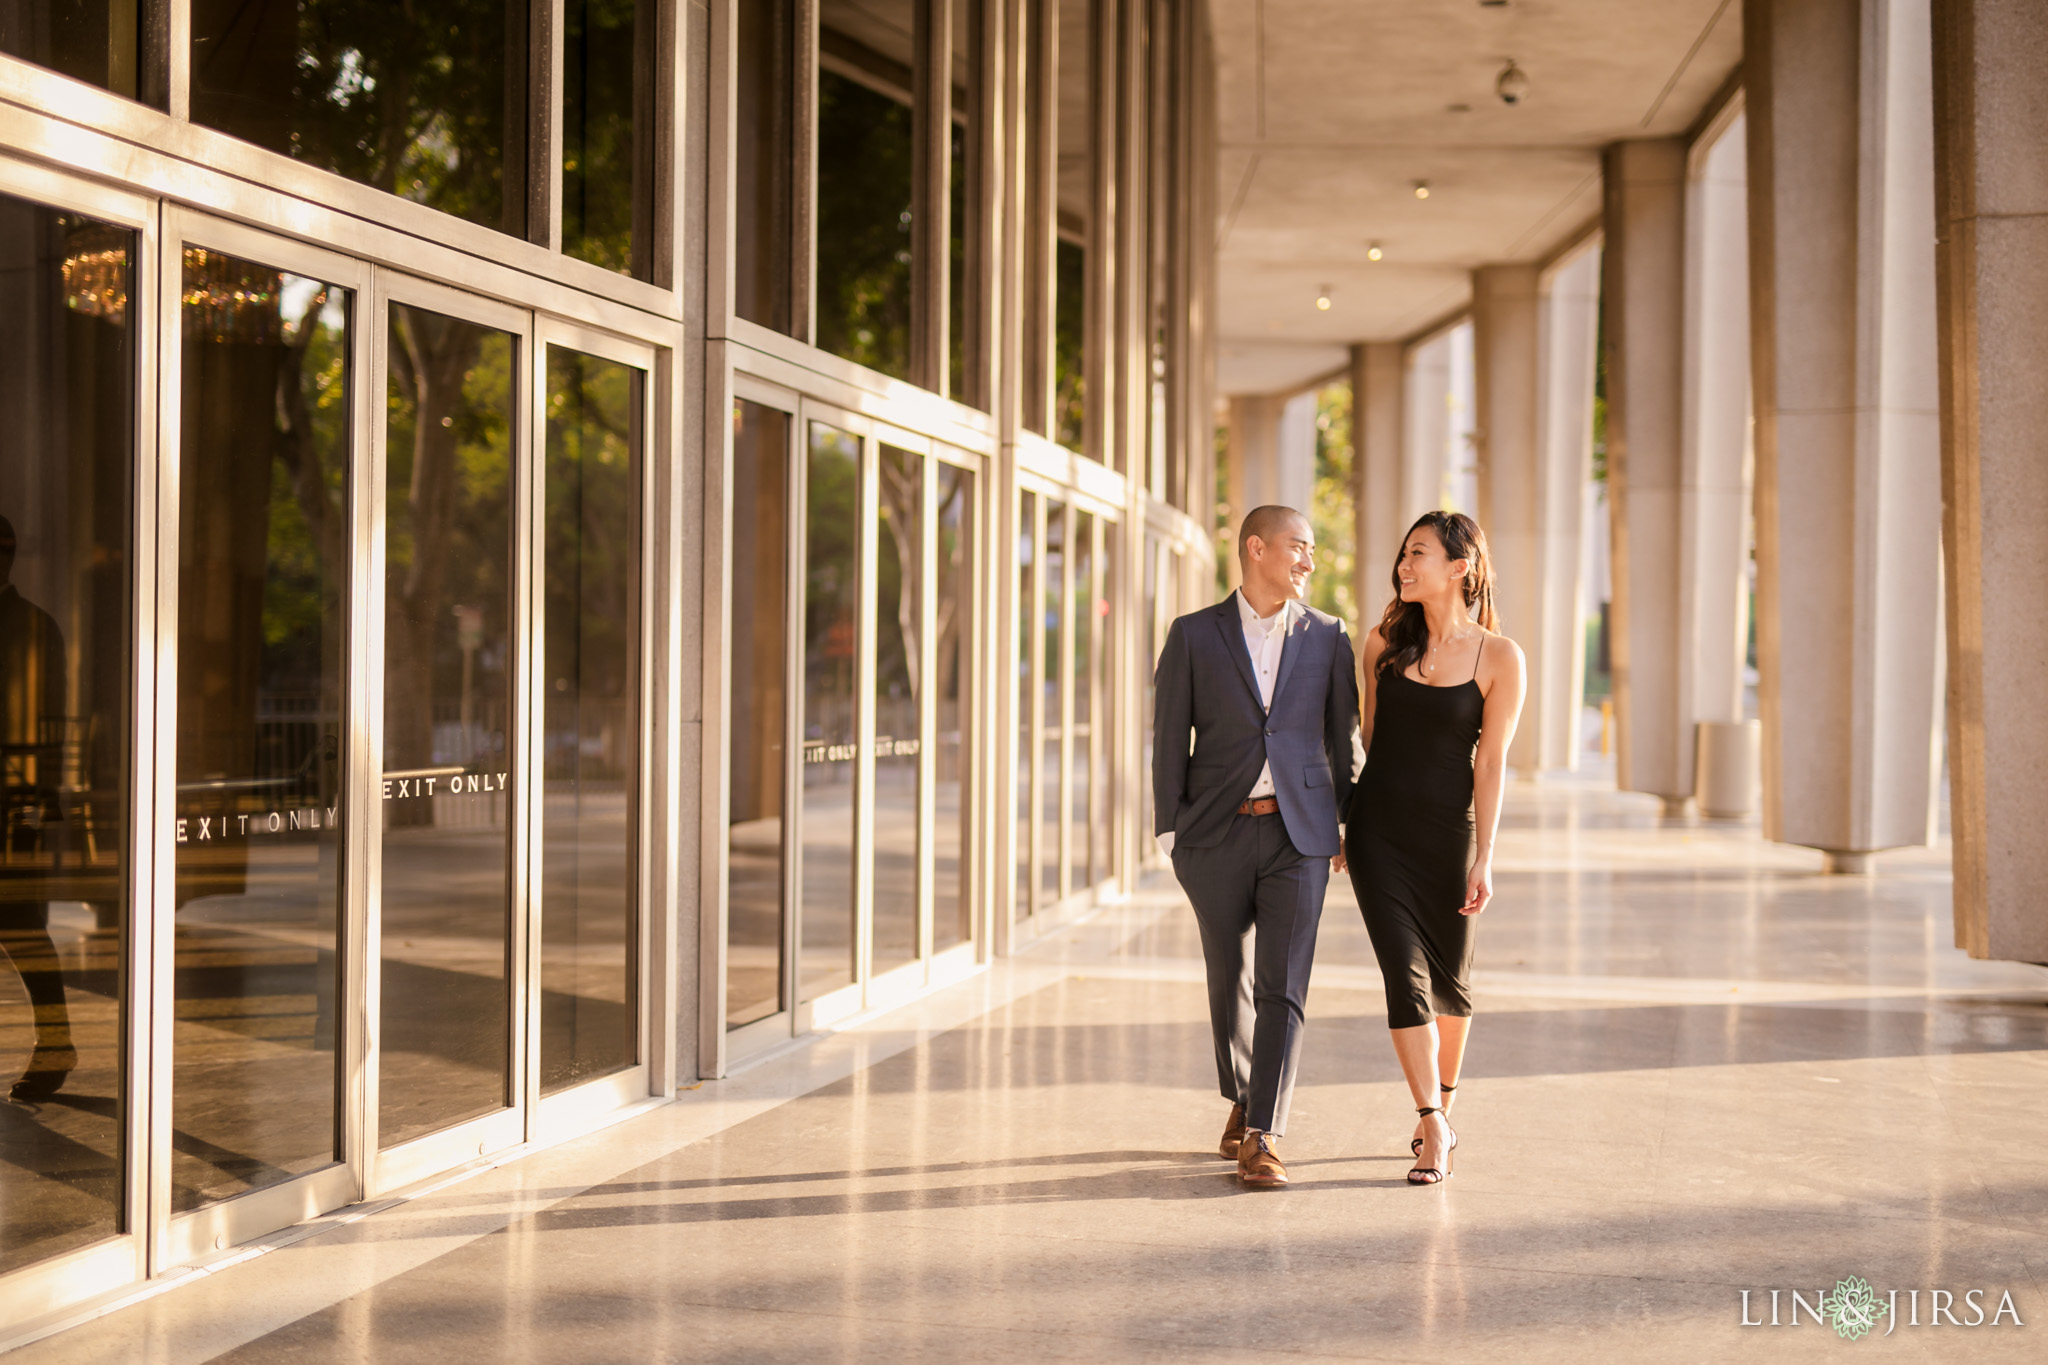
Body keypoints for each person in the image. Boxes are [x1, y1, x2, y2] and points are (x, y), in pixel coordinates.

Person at [1152, 505, 1358, 1187]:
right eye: (1300, 547)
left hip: (1300, 835)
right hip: (1215, 831)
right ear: (1256, 549)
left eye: (1312, 551)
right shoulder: (1192, 635)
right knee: (1227, 976)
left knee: (1284, 986)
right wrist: (1169, 831)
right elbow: (1167, 738)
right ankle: (1242, 1093)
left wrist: (1345, 823)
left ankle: (1264, 1132)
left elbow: (1341, 739)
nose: (1309, 561)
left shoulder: (1329, 636)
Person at [1346, 511, 1525, 1185]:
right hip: (1377, 834)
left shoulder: (1499, 657)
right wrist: (1347, 818)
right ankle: (1429, 1120)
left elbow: (1492, 764)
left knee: (1451, 984)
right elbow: (1370, 738)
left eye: (1417, 553)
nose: (1403, 564)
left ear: (1460, 566)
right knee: (1405, 975)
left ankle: (1443, 1114)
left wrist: (1485, 854)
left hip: (1449, 837)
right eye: (1403, 553)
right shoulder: (1381, 645)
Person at [0, 513, 77, 1101]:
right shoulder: (35, 623)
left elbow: (46, 726)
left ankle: (56, 1042)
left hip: (12, 800)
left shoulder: (31, 626)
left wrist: (37, 806)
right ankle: (55, 1042)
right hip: (15, 795)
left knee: (22, 927)